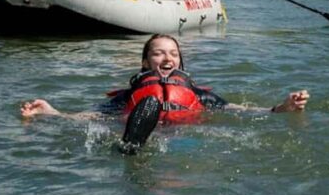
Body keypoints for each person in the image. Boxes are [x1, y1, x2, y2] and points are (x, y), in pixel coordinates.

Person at [21, 34, 309, 153]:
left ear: (180, 63)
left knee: (222, 136)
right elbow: (90, 116)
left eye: (173, 54)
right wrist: (52, 112)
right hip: (145, 130)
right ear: (146, 63)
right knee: (122, 126)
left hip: (186, 141)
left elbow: (240, 110)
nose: (167, 58)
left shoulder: (198, 94)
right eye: (158, 53)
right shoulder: (128, 96)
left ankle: (131, 149)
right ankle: (131, 145)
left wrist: (281, 108)